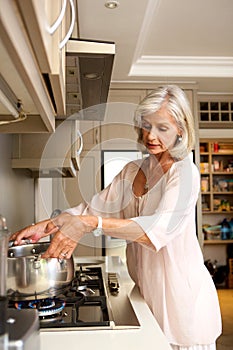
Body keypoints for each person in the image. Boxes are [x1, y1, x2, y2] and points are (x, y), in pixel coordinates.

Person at [10, 85, 222, 350]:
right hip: (146, 294)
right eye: (146, 125)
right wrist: (46, 226)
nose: (150, 135)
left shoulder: (185, 173)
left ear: (181, 129)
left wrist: (90, 224)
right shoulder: (133, 170)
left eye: (162, 128)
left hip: (183, 304)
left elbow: (155, 231)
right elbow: (92, 209)